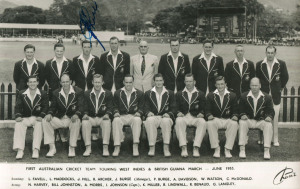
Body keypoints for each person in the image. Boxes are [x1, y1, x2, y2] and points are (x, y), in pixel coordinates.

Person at [42, 74, 84, 158]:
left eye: (67, 82)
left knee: (76, 121)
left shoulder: (78, 91)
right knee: (45, 120)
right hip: (60, 119)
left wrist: (77, 114)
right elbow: (52, 107)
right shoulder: (55, 93)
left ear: (71, 82)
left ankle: (72, 147)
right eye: (63, 82)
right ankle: (52, 147)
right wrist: (49, 113)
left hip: (71, 119)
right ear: (60, 82)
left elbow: (81, 106)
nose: (65, 84)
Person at [256, 45, 289, 146]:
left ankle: (275, 140)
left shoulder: (281, 64)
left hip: (275, 96)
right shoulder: (260, 64)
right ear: (266, 53)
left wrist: (280, 87)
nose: (270, 55)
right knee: (262, 117)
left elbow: (285, 77)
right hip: (263, 95)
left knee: (274, 118)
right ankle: (261, 139)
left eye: (272, 53)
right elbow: (257, 79)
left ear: (275, 53)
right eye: (268, 53)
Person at [13, 76, 49, 159]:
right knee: (19, 124)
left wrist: (41, 116)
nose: (32, 83)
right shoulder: (22, 93)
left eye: (34, 81)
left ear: (37, 83)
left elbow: (45, 107)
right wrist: (18, 116)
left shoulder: (43, 93)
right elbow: (17, 107)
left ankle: (36, 149)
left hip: (36, 118)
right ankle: (20, 150)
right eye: (30, 82)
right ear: (27, 83)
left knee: (39, 124)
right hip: (25, 117)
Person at [238, 78, 275, 160]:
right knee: (242, 122)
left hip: (260, 121)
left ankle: (266, 150)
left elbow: (271, 111)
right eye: (252, 85)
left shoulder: (267, 97)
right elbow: (240, 109)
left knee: (268, 124)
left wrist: (269, 117)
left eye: (256, 85)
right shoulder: (244, 96)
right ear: (250, 86)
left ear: (260, 86)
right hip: (249, 120)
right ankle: (242, 149)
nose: (254, 87)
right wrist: (242, 115)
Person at [206, 76, 239, 158]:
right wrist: (209, 115)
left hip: (228, 119)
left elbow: (236, 110)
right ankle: (216, 148)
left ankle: (227, 149)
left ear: (225, 84)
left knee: (234, 124)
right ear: (215, 85)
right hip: (216, 119)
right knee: (210, 123)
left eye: (222, 84)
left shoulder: (232, 95)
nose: (220, 86)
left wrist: (235, 116)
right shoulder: (210, 95)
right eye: (218, 84)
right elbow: (207, 110)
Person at [175, 73, 207, 157]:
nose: (188, 83)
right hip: (184, 117)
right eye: (187, 81)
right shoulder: (179, 94)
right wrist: (178, 112)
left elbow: (204, 108)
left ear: (194, 82)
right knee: (178, 121)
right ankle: (183, 146)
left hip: (195, 117)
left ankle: (196, 147)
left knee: (203, 122)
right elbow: (175, 107)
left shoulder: (200, 93)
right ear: (184, 82)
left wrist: (202, 113)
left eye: (190, 81)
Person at [144, 73, 176, 157]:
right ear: (154, 82)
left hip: (164, 117)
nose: (158, 82)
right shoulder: (148, 93)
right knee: (150, 120)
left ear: (163, 81)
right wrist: (148, 113)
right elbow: (145, 107)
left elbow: (174, 108)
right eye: (157, 80)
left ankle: (166, 147)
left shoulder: (170, 93)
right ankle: (152, 147)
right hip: (153, 117)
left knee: (166, 122)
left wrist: (169, 114)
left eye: (160, 80)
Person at [81, 74, 114, 157]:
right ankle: (88, 148)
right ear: (92, 82)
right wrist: (85, 114)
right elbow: (84, 107)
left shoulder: (108, 93)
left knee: (107, 122)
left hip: (102, 118)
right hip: (91, 118)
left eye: (99, 82)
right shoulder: (86, 93)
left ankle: (105, 147)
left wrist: (107, 114)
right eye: (95, 82)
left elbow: (110, 108)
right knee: (85, 123)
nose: (97, 84)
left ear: (103, 82)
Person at [112, 75, 144, 157]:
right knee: (116, 120)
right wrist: (116, 112)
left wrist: (139, 112)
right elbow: (114, 106)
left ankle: (135, 145)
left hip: (133, 116)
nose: (128, 84)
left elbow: (142, 107)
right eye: (126, 82)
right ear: (123, 82)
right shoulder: (117, 93)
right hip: (122, 116)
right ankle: (117, 146)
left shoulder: (139, 93)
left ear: (133, 82)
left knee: (137, 120)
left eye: (130, 82)